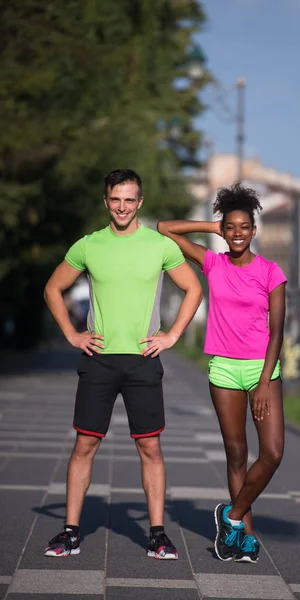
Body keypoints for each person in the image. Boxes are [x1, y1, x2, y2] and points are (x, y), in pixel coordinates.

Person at [43, 168, 202, 560]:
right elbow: (52, 287)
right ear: (106, 201)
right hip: (98, 358)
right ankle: (70, 531)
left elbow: (193, 288)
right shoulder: (89, 245)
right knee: (84, 445)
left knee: (150, 448)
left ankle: (157, 534)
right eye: (116, 199)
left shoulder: (160, 246)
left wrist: (172, 335)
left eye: (130, 199)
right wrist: (71, 334)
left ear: (140, 203)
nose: (122, 206)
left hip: (143, 360)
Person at [158, 182, 287, 564]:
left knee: (273, 453)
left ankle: (229, 516)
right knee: (236, 454)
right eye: (230, 227)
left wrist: (264, 381)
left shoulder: (270, 272)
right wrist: (212, 228)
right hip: (224, 369)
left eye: (243, 227)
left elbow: (278, 331)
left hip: (262, 369)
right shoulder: (213, 263)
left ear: (254, 230)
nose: (236, 233)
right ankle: (242, 538)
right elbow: (165, 227)